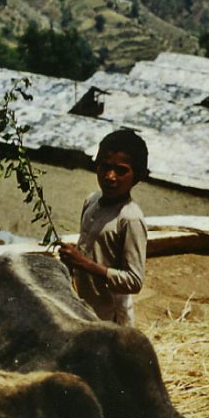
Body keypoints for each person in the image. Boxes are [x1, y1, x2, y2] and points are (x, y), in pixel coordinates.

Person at [59, 128, 148, 326]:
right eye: (104, 167)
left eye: (121, 170)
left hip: (110, 318)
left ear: (138, 176)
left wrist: (84, 263)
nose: (110, 176)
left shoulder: (130, 218)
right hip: (83, 307)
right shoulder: (92, 201)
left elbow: (134, 280)